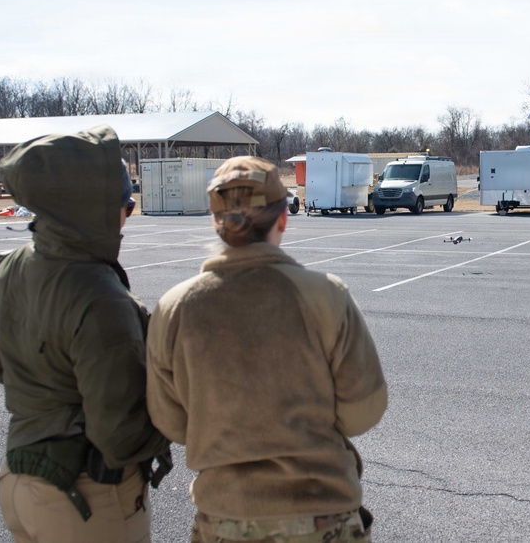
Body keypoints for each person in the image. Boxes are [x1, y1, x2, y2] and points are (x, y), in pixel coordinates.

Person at [0, 125, 171, 543]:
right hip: (86, 499)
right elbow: (119, 437)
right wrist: (179, 415)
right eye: (126, 203)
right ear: (91, 209)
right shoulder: (100, 297)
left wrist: (33, 381)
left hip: (20, 482)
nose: (129, 212)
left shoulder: (12, 265)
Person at [146, 156, 387, 543]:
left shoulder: (174, 308)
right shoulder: (325, 296)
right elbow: (363, 412)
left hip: (224, 520)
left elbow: (171, 422)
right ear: (282, 219)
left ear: (215, 221)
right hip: (322, 519)